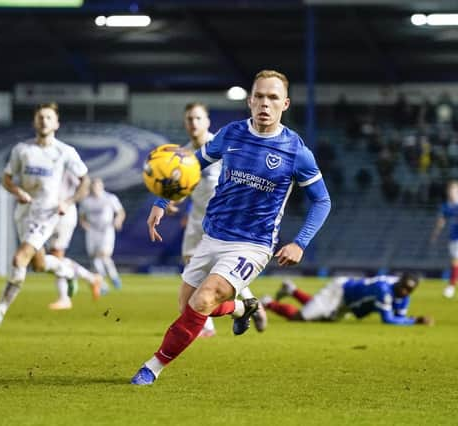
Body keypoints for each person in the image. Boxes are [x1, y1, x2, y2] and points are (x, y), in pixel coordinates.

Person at [130, 70, 331, 385]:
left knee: (203, 300)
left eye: (273, 98)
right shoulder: (231, 134)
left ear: (286, 104)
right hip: (212, 236)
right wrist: (161, 201)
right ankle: (243, 307)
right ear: (250, 101)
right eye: (260, 96)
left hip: (252, 245)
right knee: (190, 308)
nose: (265, 103)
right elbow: (192, 165)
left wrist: (300, 243)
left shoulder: (296, 151)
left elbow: (322, 201)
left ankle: (151, 368)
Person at [0, 103, 101, 324]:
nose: (44, 121)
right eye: (40, 117)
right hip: (24, 211)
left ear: (56, 123)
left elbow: (85, 180)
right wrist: (18, 191)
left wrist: (69, 200)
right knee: (38, 264)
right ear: (34, 122)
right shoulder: (22, 150)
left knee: (20, 258)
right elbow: (7, 179)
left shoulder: (64, 152)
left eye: (48, 117)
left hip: (48, 213)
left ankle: (0, 309)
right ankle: (66, 271)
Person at [168, 102, 268, 337]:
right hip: (196, 220)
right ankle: (250, 305)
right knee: (192, 268)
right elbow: (183, 188)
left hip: (224, 221)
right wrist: (173, 202)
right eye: (189, 119)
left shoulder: (223, 147)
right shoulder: (184, 155)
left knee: (218, 269)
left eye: (198, 118)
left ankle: (212, 322)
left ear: (207, 121)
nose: (193, 123)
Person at [261, 274, 433, 326]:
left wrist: (409, 320)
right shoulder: (384, 290)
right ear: (399, 281)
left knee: (323, 315)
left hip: (348, 303)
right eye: (403, 286)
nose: (404, 291)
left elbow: (400, 316)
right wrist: (414, 321)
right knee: (301, 317)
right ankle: (268, 302)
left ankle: (291, 290)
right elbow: (388, 320)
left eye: (408, 290)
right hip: (340, 292)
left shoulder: (403, 296)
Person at [46, 171, 103, 310]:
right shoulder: (49, 160)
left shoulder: (67, 160)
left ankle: (65, 298)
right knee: (55, 259)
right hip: (50, 215)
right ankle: (92, 278)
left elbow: (83, 185)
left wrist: (67, 202)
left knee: (56, 258)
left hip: (63, 215)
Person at [79, 177, 126, 291]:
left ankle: (113, 277)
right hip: (92, 231)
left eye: (97, 186)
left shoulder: (109, 198)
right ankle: (103, 283)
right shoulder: (86, 201)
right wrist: (84, 224)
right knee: (94, 258)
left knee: (104, 254)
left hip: (106, 230)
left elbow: (120, 212)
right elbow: (82, 217)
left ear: (101, 186)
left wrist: (118, 220)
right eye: (93, 186)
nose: (95, 188)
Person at [430, 180, 458, 298]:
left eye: (454, 190)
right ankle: (451, 286)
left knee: (456, 261)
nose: (451, 192)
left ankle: (451, 286)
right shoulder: (446, 206)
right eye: (450, 190)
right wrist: (435, 233)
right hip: (454, 237)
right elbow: (441, 221)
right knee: (455, 262)